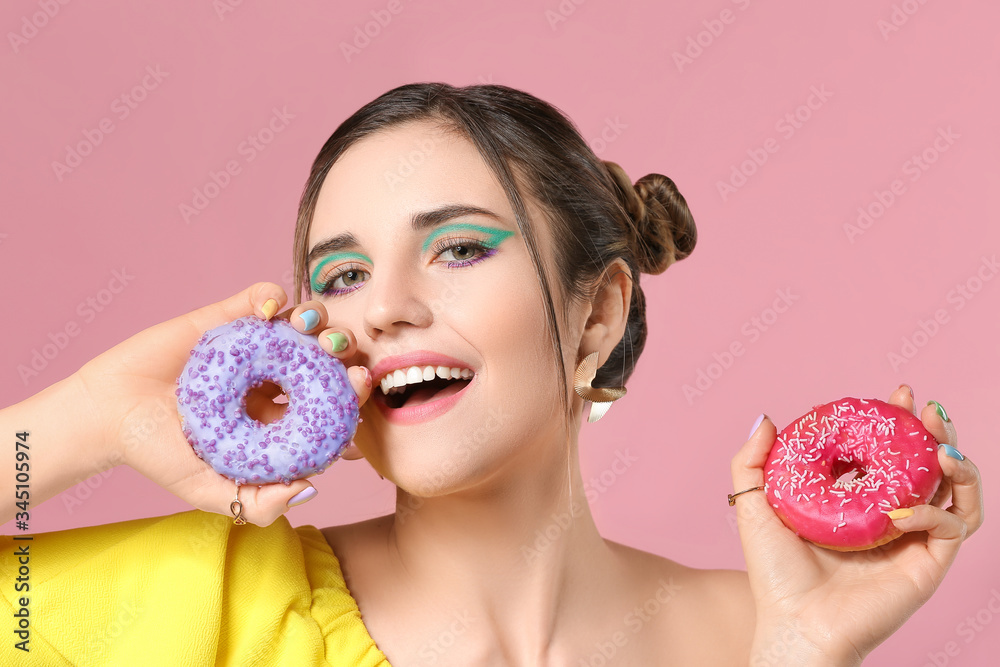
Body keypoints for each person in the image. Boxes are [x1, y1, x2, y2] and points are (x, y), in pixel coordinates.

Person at [0, 82, 984, 666]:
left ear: (593, 312)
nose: (381, 305)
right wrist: (89, 419)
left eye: (459, 250)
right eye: (340, 275)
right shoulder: (199, 604)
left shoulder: (762, 632)